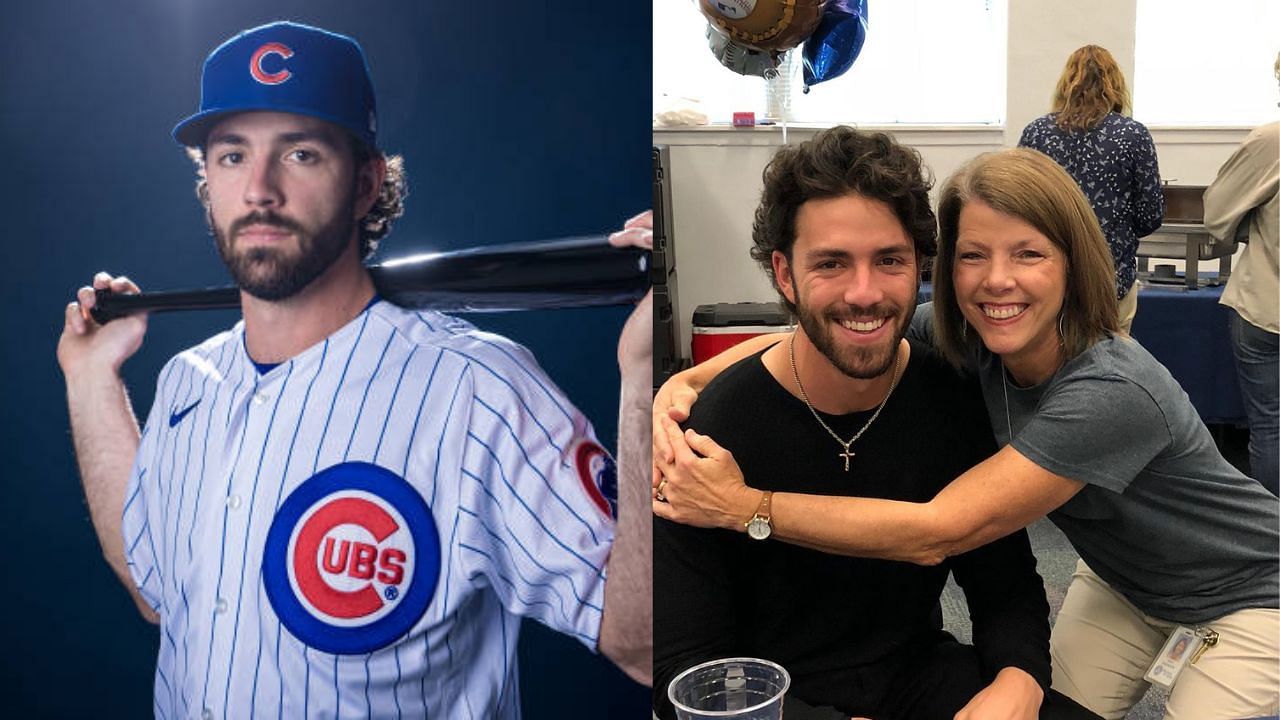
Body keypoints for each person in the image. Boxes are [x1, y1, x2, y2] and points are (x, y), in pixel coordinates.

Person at [55, 21, 652, 718]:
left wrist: (641, 375)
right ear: (206, 183)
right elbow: (155, 590)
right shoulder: (188, 382)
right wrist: (91, 381)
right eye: (230, 157)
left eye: (301, 154)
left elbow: (643, 644)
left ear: (369, 182)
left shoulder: (477, 390)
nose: (259, 190)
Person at [653, 147, 1280, 719]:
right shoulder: (968, 344)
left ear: (1072, 263)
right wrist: (684, 383)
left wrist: (744, 508)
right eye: (973, 255)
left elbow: (941, 533)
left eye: (1029, 253)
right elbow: (841, 326)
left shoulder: (1111, 392)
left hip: (1250, 590)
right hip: (1121, 578)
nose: (996, 280)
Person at [653, 127, 1052, 720]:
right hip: (770, 699)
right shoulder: (709, 433)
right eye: (832, 264)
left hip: (919, 678)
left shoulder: (950, 394)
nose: (864, 294)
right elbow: (683, 667)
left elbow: (1006, 585)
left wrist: (1019, 682)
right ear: (785, 275)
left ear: (918, 266)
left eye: (888, 260)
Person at [1018, 45, 1164, 334]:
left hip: (1046, 278)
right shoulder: (1133, 135)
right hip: (1110, 280)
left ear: (1065, 84)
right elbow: (1151, 215)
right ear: (1116, 85)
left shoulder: (1036, 133)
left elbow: (1017, 207)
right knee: (1111, 366)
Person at [1203, 118, 1279, 496]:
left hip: (1267, 307)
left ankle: (1273, 537)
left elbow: (1217, 214)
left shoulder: (1270, 140)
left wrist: (1255, 227)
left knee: (1270, 428)